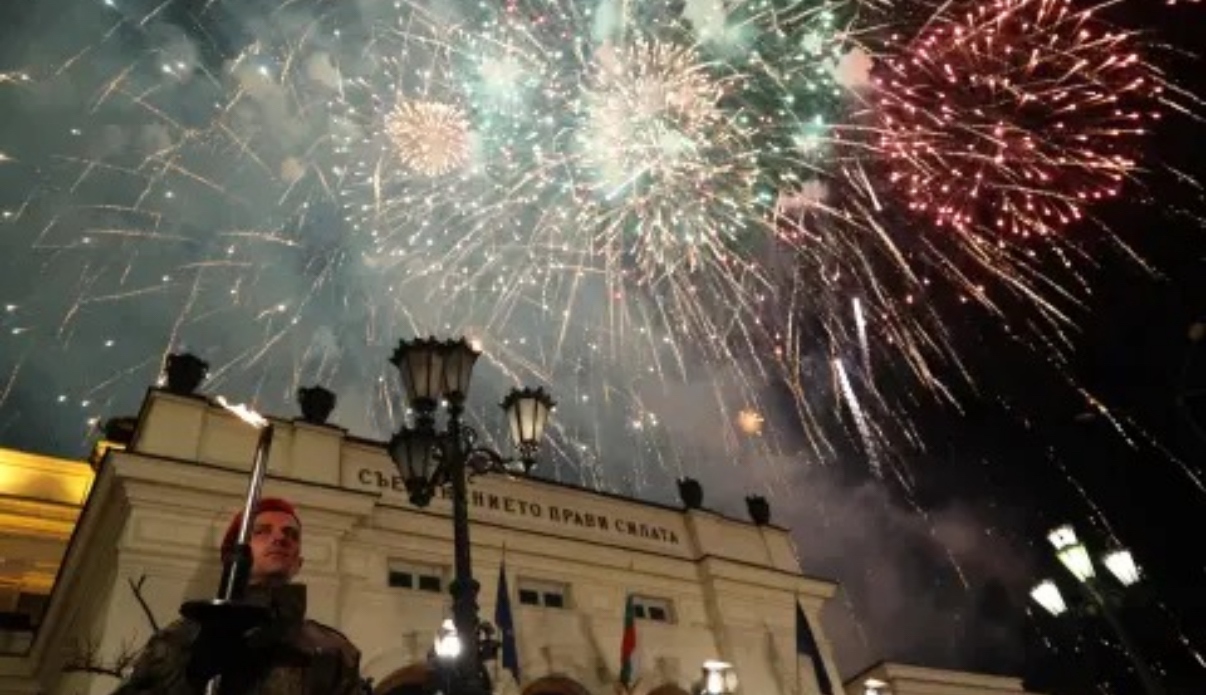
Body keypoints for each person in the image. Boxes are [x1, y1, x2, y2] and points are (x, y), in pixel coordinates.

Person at [113, 498, 363, 694]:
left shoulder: (332, 649)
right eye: (262, 531)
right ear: (231, 557)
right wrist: (191, 677)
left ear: (298, 563)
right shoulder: (184, 636)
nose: (280, 538)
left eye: (291, 534)